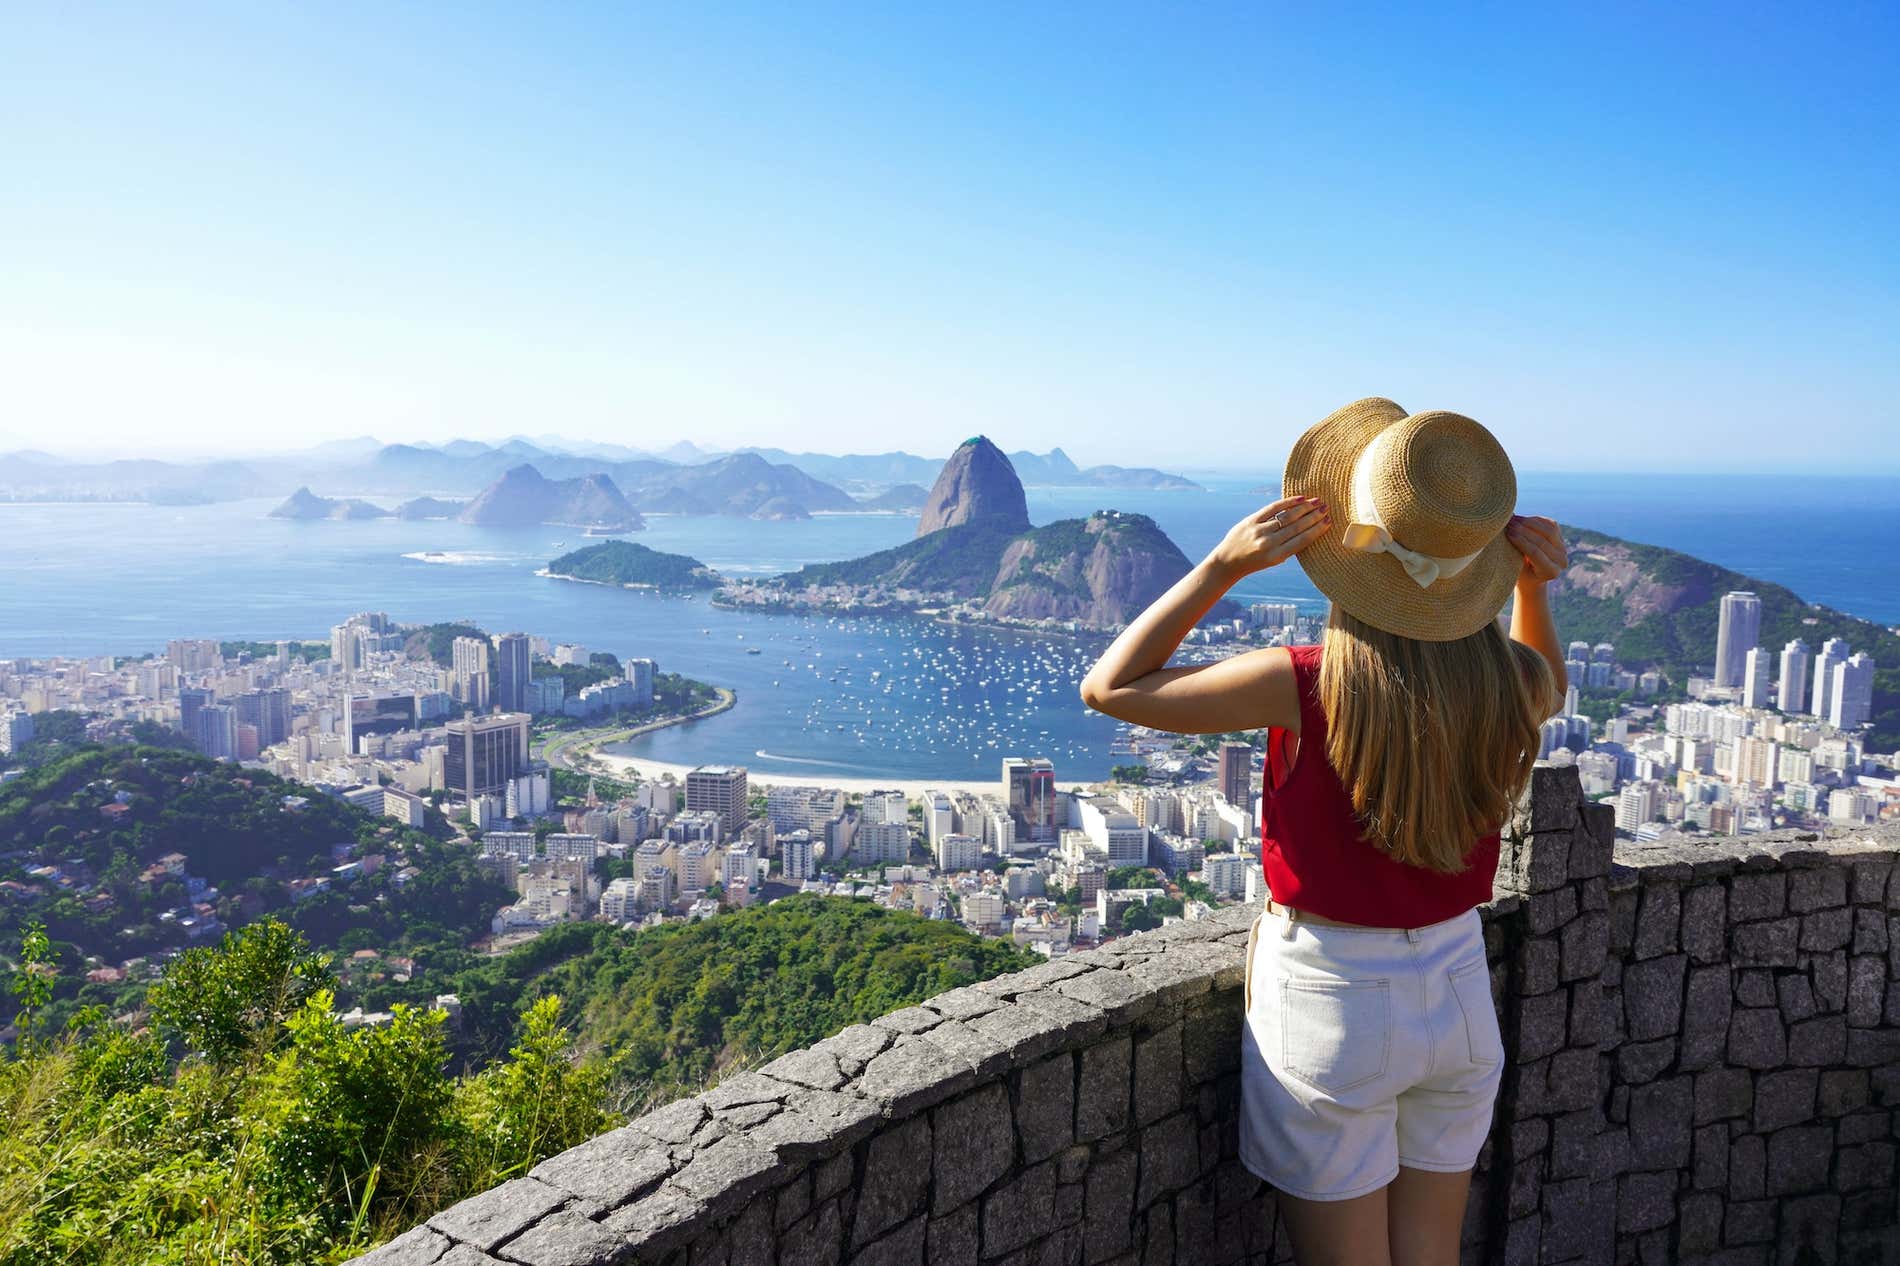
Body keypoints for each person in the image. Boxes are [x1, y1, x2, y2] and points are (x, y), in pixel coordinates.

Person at [1079, 398, 1568, 1266]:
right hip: (1459, 985)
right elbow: (1549, 683)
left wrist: (1222, 568)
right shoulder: (1509, 681)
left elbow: (1111, 687)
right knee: (1431, 1256)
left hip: (1334, 995)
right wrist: (1531, 591)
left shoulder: (1301, 683)